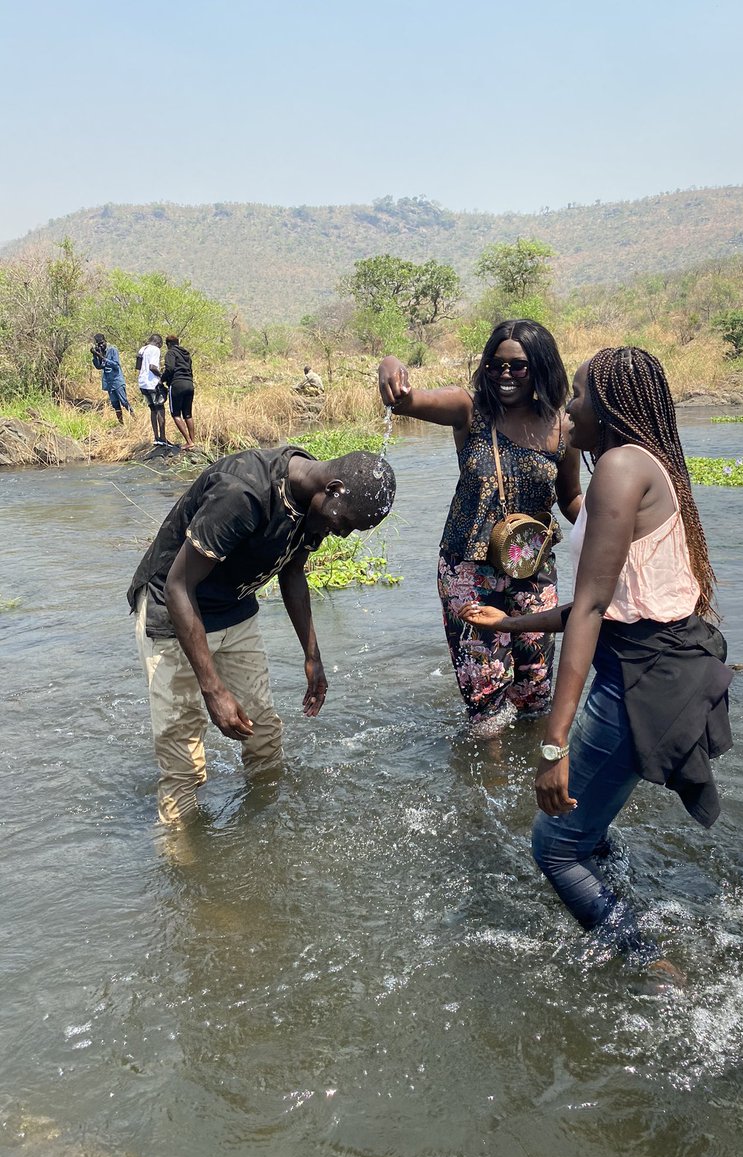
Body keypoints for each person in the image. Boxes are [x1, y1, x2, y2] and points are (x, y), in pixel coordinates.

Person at [461, 347, 732, 974]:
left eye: (579, 394)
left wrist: (552, 743)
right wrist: (511, 621)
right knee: (585, 824)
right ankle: (624, 895)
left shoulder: (619, 465)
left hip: (642, 675)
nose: (568, 405)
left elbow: (589, 608)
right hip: (651, 662)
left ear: (608, 405)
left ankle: (650, 964)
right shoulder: (640, 464)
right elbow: (600, 600)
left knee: (554, 848)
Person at [127, 447, 396, 827]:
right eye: (346, 522)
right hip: (173, 615)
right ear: (333, 488)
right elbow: (178, 587)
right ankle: (180, 864)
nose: (343, 532)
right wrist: (214, 689)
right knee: (184, 765)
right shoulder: (242, 493)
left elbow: (293, 572)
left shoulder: (313, 504)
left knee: (264, 736)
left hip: (233, 609)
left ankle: (261, 828)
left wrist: (312, 655)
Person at [378, 319, 582, 736]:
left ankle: (530, 777)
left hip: (533, 571)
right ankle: (487, 783)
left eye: (518, 366)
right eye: (495, 365)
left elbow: (571, 498)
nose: (504, 375)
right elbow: (406, 402)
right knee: (484, 688)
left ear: (541, 368)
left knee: (535, 687)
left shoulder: (562, 428)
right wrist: (389, 364)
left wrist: (620, 533)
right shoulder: (469, 410)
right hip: (467, 571)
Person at [162, 334, 195, 449]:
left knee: (175, 414)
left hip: (177, 384)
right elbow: (190, 369)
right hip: (189, 384)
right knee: (188, 414)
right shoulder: (186, 354)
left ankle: (188, 441)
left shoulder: (170, 352)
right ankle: (192, 442)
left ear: (169, 344)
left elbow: (170, 368)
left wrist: (162, 380)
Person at [91, 333, 134, 424]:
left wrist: (102, 357)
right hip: (108, 383)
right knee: (115, 404)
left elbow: (116, 365)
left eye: (102, 343)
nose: (101, 345)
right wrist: (95, 356)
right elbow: (99, 367)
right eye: (99, 344)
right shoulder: (100, 351)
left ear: (105, 341)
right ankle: (121, 424)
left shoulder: (112, 350)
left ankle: (135, 419)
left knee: (124, 401)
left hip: (117, 381)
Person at [136, 333, 168, 445]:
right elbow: (153, 367)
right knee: (160, 409)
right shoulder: (155, 349)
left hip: (142, 384)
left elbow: (138, 367)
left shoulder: (142, 349)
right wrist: (161, 376)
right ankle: (163, 438)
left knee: (153, 410)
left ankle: (156, 437)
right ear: (158, 343)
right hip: (152, 383)